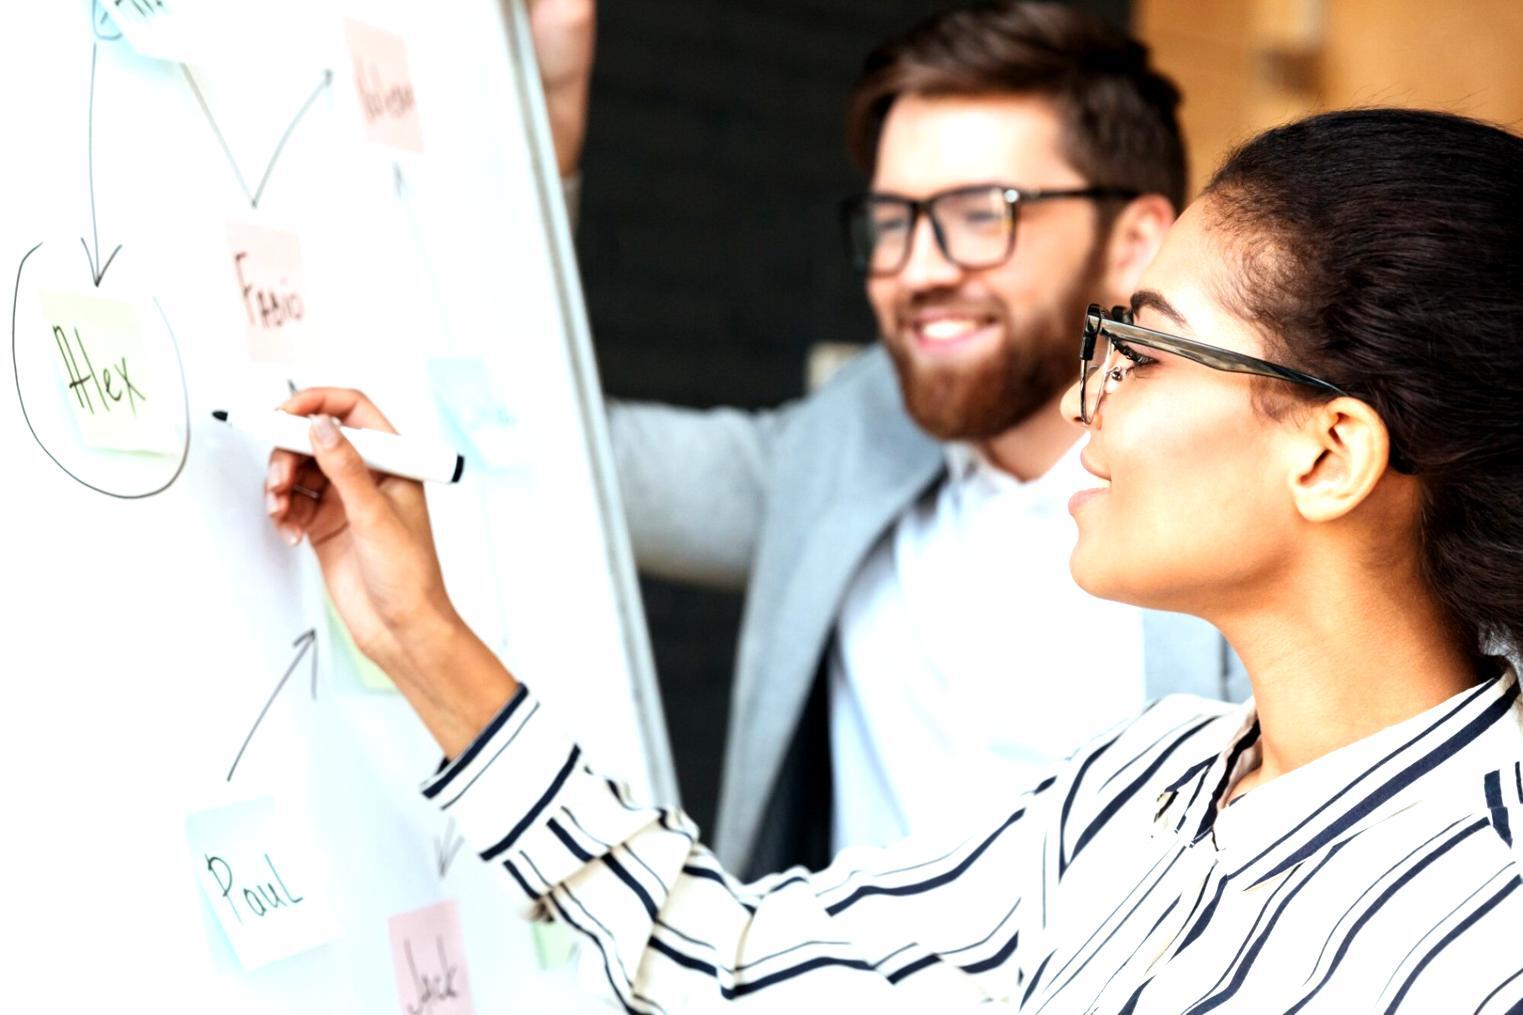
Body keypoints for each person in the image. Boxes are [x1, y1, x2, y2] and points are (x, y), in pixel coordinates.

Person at [266, 106, 1523, 1010]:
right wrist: (415, 635)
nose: (1092, 404)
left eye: (1141, 352)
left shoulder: (1480, 933)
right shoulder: (1141, 784)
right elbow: (741, 959)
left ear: (1327, 454)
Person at [532, 0, 1244, 879]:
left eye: (984, 213)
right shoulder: (848, 444)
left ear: (1133, 242)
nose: (918, 269)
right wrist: (545, 131)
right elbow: (552, 455)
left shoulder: (1248, 507)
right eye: (892, 221)